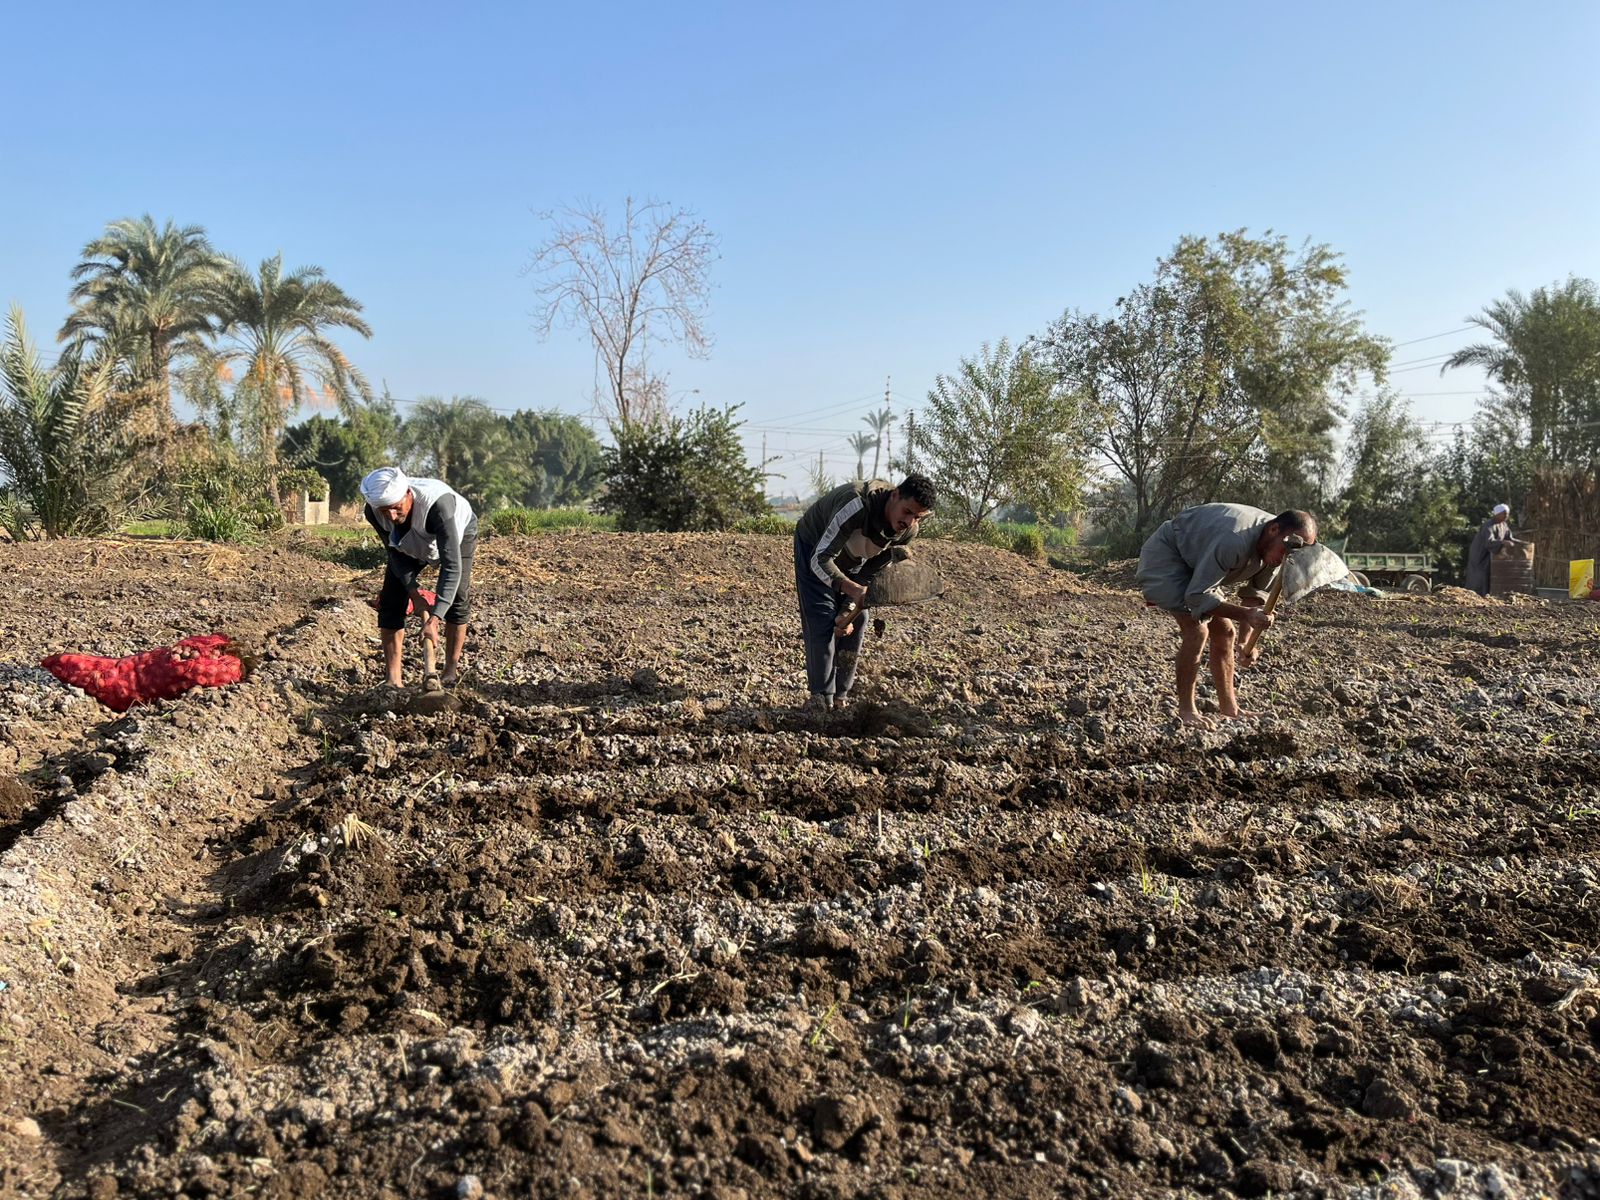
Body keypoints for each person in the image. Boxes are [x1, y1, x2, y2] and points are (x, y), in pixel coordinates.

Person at [1136, 504, 1318, 730]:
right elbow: (1197, 596)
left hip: (1197, 563)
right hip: (1168, 556)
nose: (1286, 559)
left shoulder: (1280, 549)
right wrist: (1246, 615)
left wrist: (1245, 642)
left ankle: (1230, 709)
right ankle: (1187, 711)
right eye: (1286, 552)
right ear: (1273, 530)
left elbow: (1254, 597)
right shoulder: (1233, 540)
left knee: (1226, 632)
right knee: (1197, 629)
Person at [793, 474, 937, 714]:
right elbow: (821, 559)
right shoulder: (856, 505)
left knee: (859, 617)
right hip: (815, 548)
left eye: (917, 517)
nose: (909, 521)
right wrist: (850, 589)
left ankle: (840, 698)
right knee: (823, 618)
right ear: (894, 496)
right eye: (907, 511)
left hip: (853, 558)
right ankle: (820, 698)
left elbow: (870, 570)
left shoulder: (907, 532)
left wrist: (849, 606)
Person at [360, 467, 478, 690]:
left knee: (458, 597)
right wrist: (414, 594)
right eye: (385, 511)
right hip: (408, 542)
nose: (391, 516)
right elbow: (394, 554)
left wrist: (434, 620)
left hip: (459, 533)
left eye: (396, 508)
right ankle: (393, 679)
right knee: (392, 599)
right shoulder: (374, 511)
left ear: (408, 494)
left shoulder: (439, 506)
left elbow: (452, 567)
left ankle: (450, 672)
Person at [1464, 503, 1516, 596]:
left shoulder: (1504, 525)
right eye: (1504, 513)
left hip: (1490, 555)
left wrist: (1520, 543)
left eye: (1507, 514)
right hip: (1480, 554)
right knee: (1479, 577)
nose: (1506, 516)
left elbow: (1510, 537)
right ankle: (1475, 596)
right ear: (1497, 514)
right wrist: (1502, 542)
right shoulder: (1488, 525)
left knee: (1489, 577)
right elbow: (1489, 542)